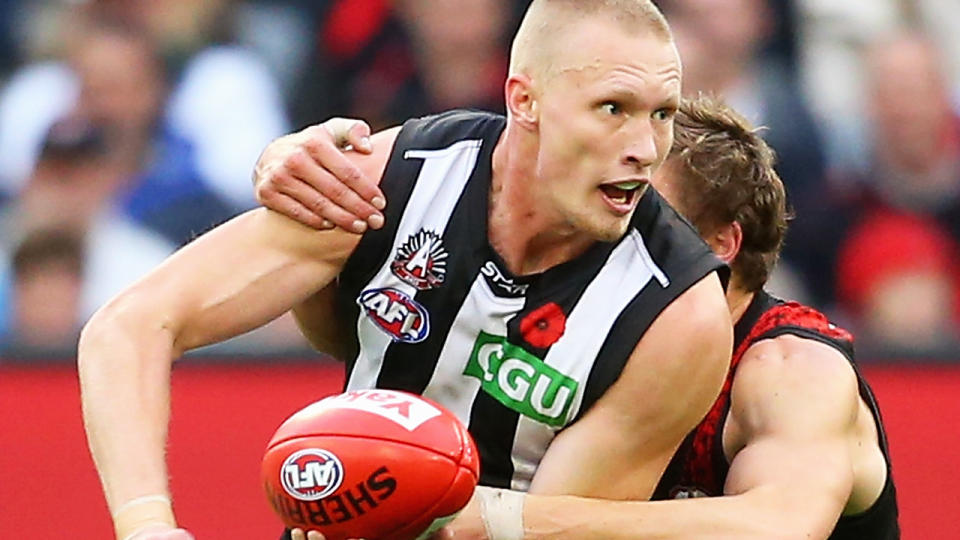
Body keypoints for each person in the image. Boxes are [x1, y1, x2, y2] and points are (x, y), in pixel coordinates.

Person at [77, 2, 733, 540]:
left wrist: (386, 512)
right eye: (613, 109)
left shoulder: (679, 315)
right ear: (525, 100)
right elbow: (128, 327)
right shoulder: (386, 181)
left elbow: (540, 526)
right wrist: (147, 528)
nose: (645, 148)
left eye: (663, 114)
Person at [262, 96, 900, 539]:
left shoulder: (791, 365)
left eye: (642, 212)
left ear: (719, 247)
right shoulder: (592, 336)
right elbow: (342, 336)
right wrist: (293, 174)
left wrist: (505, 520)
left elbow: (780, 527)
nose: (608, 231)